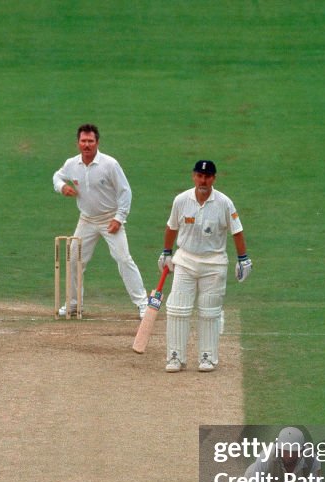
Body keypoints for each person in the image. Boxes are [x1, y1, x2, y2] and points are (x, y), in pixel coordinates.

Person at [160, 160, 250, 372]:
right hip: (185, 260)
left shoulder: (224, 203)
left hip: (214, 263)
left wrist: (243, 258)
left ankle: (207, 357)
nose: (203, 180)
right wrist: (166, 253)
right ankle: (175, 356)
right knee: (177, 309)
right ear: (193, 176)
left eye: (207, 176)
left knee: (209, 312)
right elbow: (171, 227)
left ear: (214, 179)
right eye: (200, 176)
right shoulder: (181, 200)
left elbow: (237, 231)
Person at [52, 124, 148, 318]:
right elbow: (57, 176)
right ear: (78, 143)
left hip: (109, 219)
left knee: (123, 258)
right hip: (86, 220)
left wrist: (119, 218)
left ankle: (143, 304)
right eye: (83, 141)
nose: (87, 145)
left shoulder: (110, 164)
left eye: (90, 141)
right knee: (74, 259)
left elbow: (125, 191)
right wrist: (61, 187)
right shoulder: (72, 164)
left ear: (97, 142)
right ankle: (73, 304)